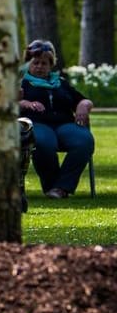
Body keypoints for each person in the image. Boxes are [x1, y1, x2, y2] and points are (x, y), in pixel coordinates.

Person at [20, 39, 95, 198]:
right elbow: (10, 103)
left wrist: (83, 105)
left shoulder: (60, 82)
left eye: (44, 63)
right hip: (37, 123)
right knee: (43, 142)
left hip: (64, 124)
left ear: (51, 64)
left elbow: (82, 99)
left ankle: (62, 188)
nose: (40, 67)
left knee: (84, 140)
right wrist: (26, 103)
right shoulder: (22, 83)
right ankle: (52, 186)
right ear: (29, 64)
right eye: (36, 63)